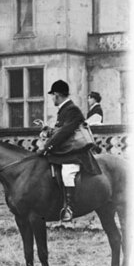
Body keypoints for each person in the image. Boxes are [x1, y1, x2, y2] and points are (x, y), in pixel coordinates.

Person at [40, 79, 94, 222]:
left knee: (67, 172)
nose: (52, 98)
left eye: (52, 95)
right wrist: (48, 131)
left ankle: (69, 207)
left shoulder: (72, 110)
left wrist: (47, 147)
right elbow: (60, 131)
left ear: (57, 95)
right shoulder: (64, 110)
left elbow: (65, 133)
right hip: (66, 151)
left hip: (75, 152)